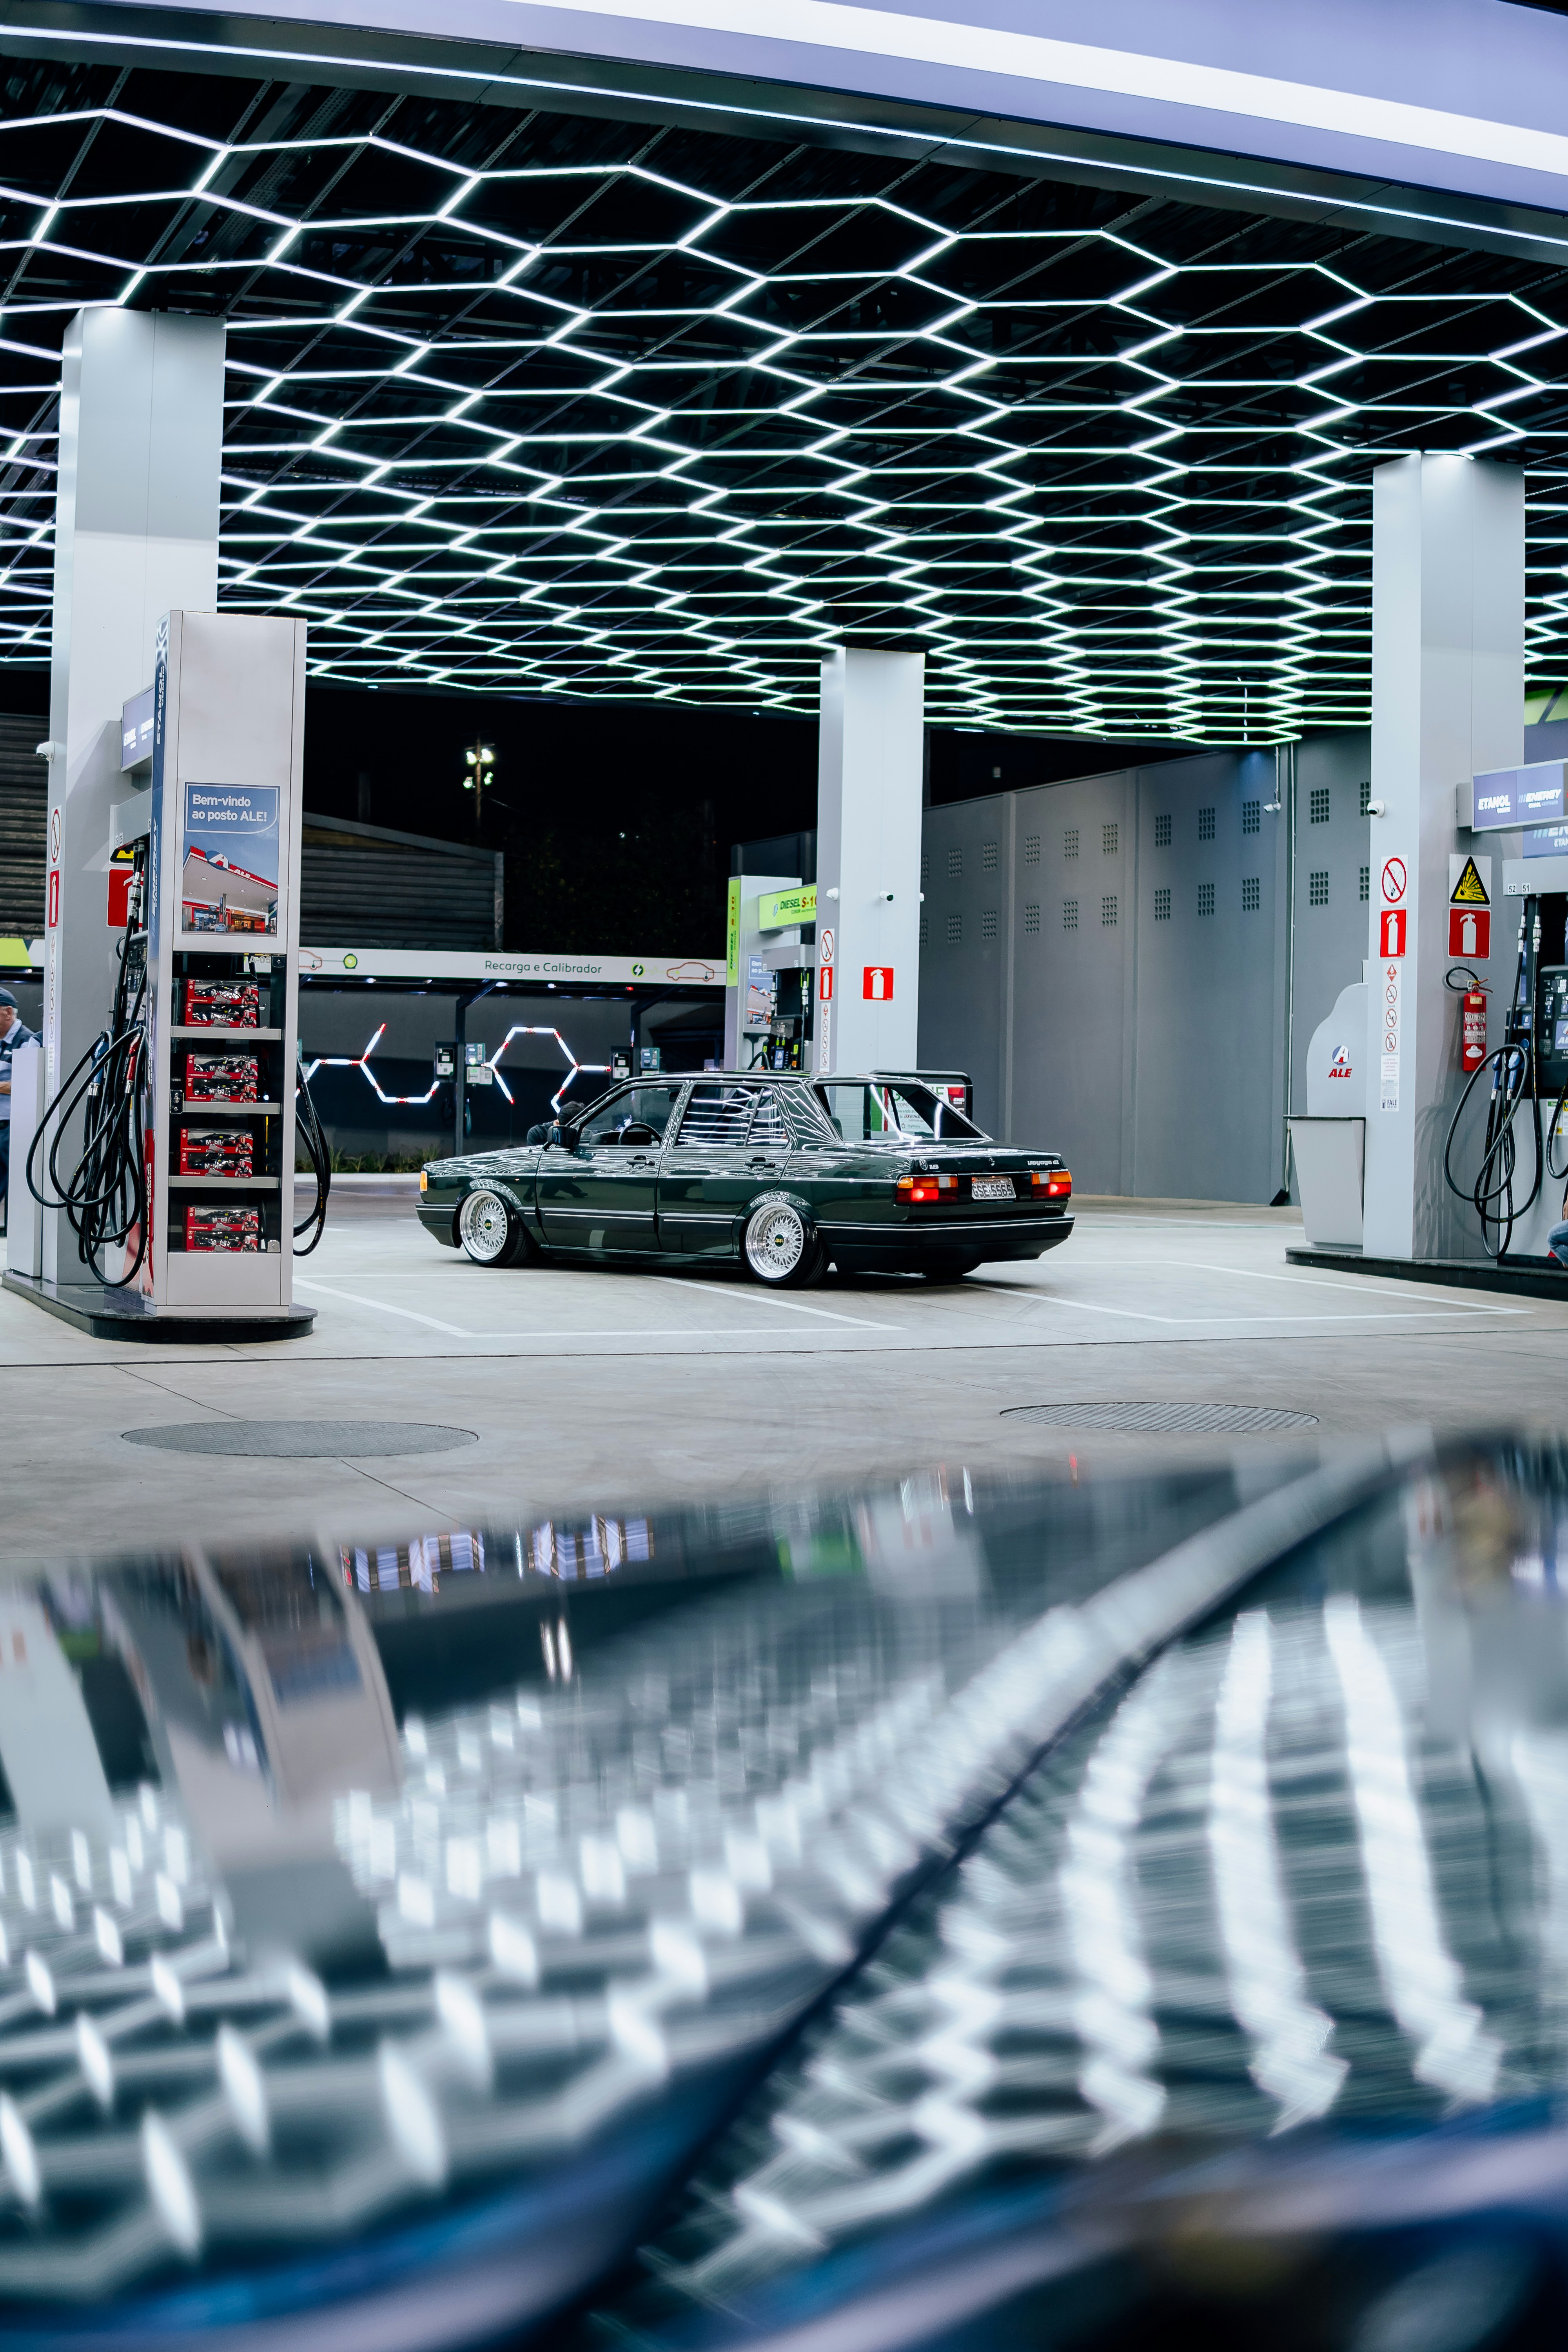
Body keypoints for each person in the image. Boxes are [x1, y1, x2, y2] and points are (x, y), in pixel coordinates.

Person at [0, 987, 40, 1234]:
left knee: (15, 1183)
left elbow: (28, 1084)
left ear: (8, 1012)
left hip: (13, 1126)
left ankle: (15, 1233)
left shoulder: (27, 1041)